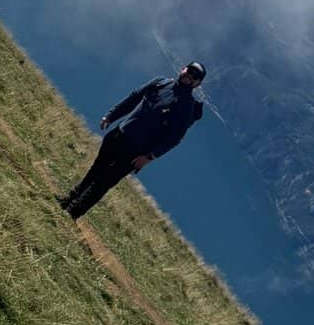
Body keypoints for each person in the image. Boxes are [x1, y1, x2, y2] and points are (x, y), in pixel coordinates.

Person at [58, 62, 207, 219]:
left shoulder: (187, 107)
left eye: (195, 77)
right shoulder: (160, 82)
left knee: (104, 182)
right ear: (183, 68)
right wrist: (112, 115)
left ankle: (73, 213)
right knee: (96, 168)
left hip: (135, 152)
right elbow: (134, 97)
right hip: (119, 134)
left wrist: (149, 157)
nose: (190, 76)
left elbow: (174, 138)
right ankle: (69, 199)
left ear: (197, 84)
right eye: (190, 71)